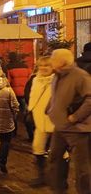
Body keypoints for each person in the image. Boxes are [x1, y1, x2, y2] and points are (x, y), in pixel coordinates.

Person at [47, 48, 91, 194]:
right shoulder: (57, 75)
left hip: (77, 129)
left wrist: (75, 117)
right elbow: (55, 96)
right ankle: (59, 189)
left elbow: (90, 99)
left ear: (61, 61)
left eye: (53, 58)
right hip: (60, 126)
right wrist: (49, 108)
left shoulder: (80, 76)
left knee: (81, 166)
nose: (50, 61)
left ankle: (84, 191)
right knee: (55, 157)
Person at [27, 57, 55, 188]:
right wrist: (30, 111)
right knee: (37, 147)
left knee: (59, 152)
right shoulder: (35, 80)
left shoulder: (57, 80)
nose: (43, 68)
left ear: (52, 67)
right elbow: (32, 97)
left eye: (47, 66)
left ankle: (60, 179)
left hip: (55, 122)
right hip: (39, 121)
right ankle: (42, 176)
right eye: (41, 65)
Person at [6, 52, 32, 136]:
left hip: (14, 93)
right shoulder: (26, 67)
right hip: (25, 93)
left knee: (14, 112)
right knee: (25, 112)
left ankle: (14, 131)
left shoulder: (9, 68)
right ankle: (29, 131)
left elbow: (8, 82)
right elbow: (30, 78)